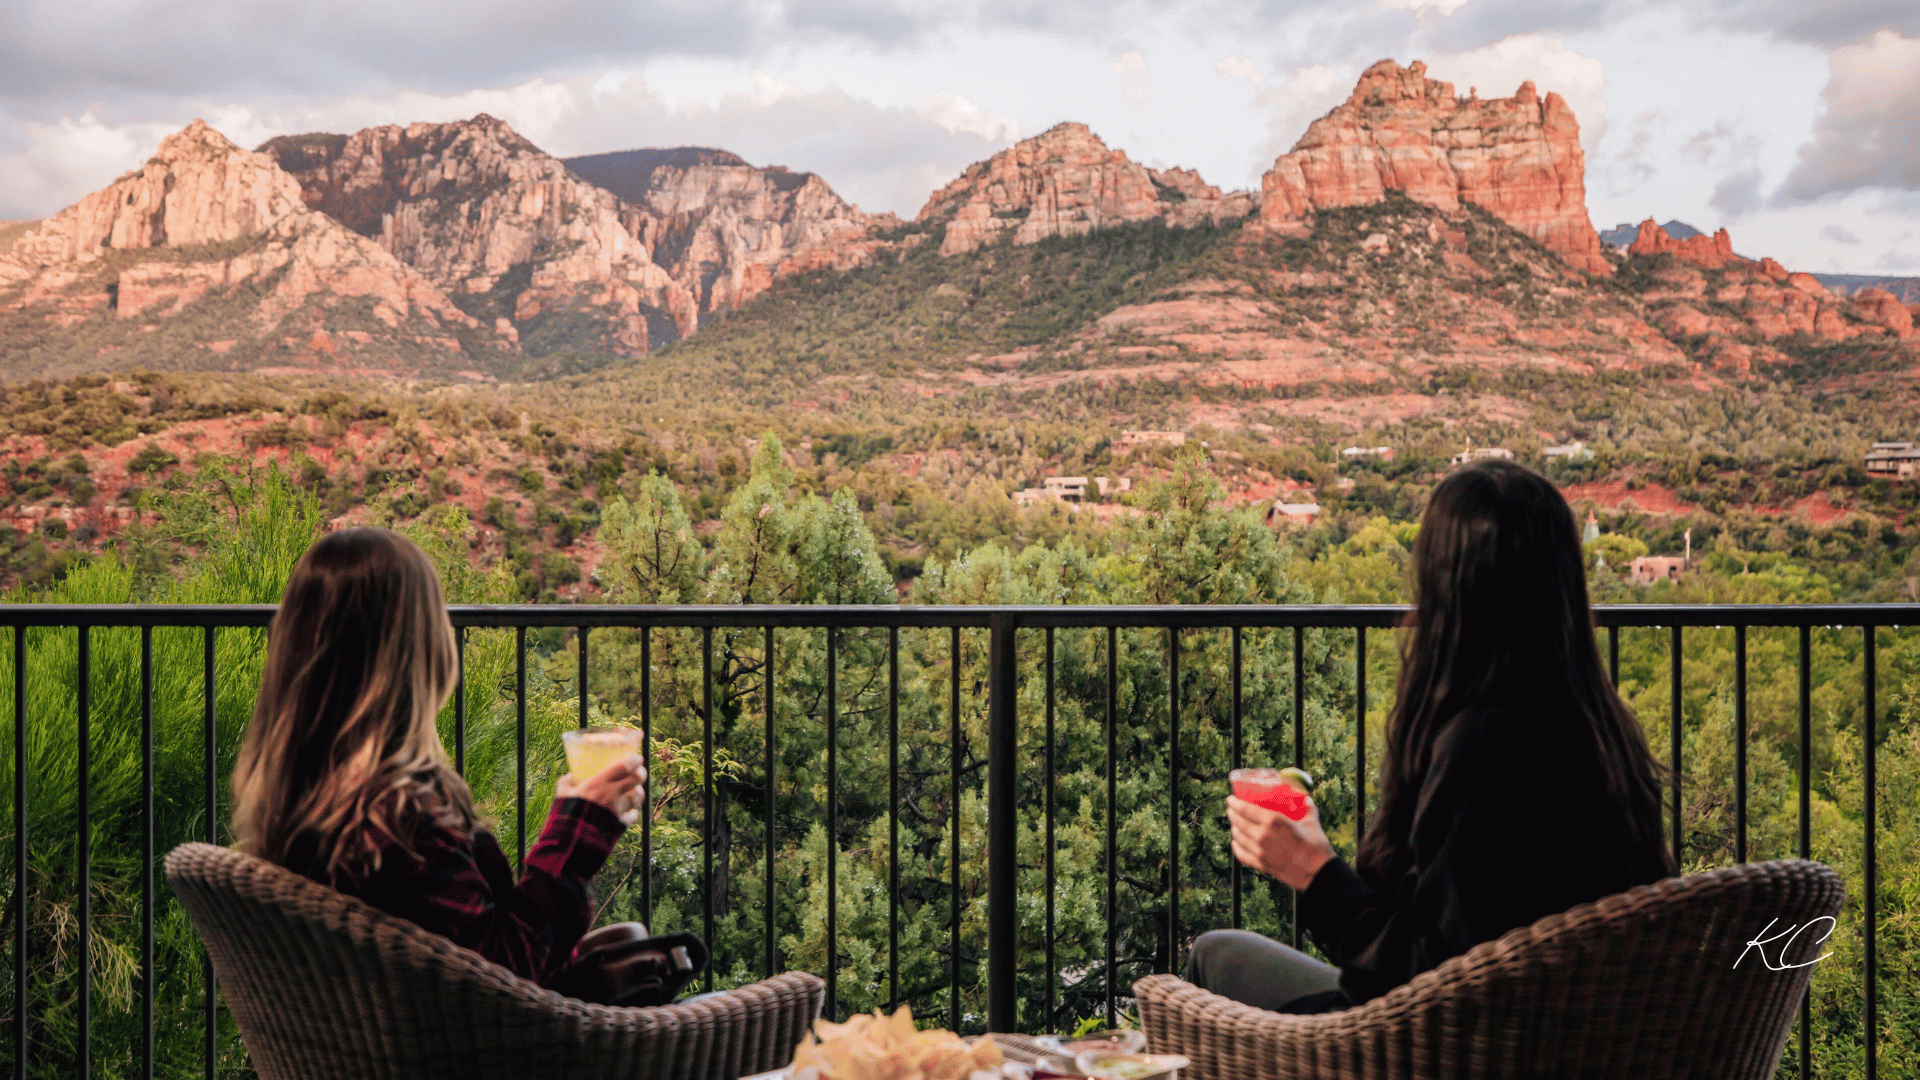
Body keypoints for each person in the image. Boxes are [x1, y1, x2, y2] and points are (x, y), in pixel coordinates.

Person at [1192, 461, 1676, 1013]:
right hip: (1560, 1044)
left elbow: (1440, 982)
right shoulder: (1601, 731)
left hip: (1436, 1049)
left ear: (1446, 589)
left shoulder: (1487, 747)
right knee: (1222, 955)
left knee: (1213, 960)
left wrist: (1314, 873)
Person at [231, 527, 646, 986]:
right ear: (418, 647)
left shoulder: (302, 801)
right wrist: (576, 832)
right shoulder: (397, 820)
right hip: (487, 1056)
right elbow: (503, 975)